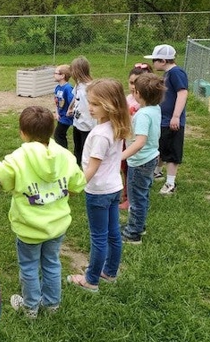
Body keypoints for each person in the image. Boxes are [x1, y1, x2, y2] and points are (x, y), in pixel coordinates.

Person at [0, 106, 86, 318]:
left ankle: (30, 307)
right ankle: (52, 305)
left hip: (29, 228)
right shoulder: (65, 156)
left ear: (22, 132)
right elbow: (78, 184)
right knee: (52, 263)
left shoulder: (17, 158)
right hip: (57, 226)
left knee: (29, 267)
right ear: (52, 130)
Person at [66, 78, 131, 291]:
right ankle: (110, 272)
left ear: (110, 104)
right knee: (113, 233)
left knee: (99, 237)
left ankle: (91, 280)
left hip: (99, 192)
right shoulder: (115, 126)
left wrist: (73, 188)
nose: (89, 108)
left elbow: (91, 169)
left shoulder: (101, 135)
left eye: (94, 104)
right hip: (113, 189)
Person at [121, 73, 165, 244]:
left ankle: (133, 233)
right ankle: (139, 225)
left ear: (138, 94)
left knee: (136, 197)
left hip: (139, 162)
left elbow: (139, 142)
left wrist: (121, 156)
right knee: (142, 195)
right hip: (151, 158)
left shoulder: (143, 115)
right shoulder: (155, 109)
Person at [144, 44, 188, 195]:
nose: (153, 63)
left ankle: (170, 183)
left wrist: (176, 116)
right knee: (161, 146)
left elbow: (182, 93)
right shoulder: (168, 73)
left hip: (172, 121)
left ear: (163, 61)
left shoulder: (176, 73)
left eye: (155, 60)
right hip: (163, 120)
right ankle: (157, 172)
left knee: (172, 151)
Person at [119, 62, 154, 210]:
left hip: (137, 143)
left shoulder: (144, 103)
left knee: (133, 170)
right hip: (126, 138)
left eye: (136, 83)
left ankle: (130, 199)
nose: (133, 86)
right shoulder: (128, 98)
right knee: (125, 169)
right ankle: (127, 194)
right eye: (131, 82)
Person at [67, 56, 96, 164]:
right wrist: (70, 107)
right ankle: (77, 166)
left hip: (87, 126)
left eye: (73, 70)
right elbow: (75, 97)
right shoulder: (79, 84)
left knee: (86, 150)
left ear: (79, 71)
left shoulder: (90, 87)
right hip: (77, 123)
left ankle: (86, 169)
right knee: (77, 147)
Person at [53, 64, 74, 149]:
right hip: (60, 116)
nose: (53, 75)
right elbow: (57, 102)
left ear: (62, 76)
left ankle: (63, 152)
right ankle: (62, 151)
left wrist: (70, 110)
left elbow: (73, 101)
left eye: (56, 73)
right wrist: (57, 113)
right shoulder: (57, 88)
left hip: (66, 117)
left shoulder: (68, 88)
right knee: (60, 135)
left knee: (58, 134)